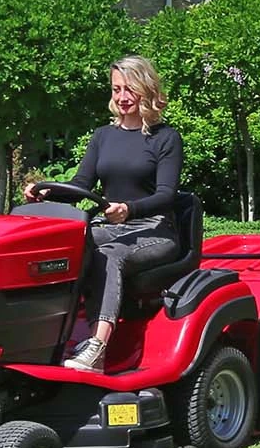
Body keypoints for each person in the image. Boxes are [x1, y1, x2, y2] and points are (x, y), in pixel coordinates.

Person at [25, 56, 182, 372]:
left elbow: (167, 195)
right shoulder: (103, 136)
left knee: (108, 254)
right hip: (110, 225)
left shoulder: (166, 138)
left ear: (146, 89)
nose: (122, 97)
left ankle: (97, 346)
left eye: (129, 89)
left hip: (154, 229)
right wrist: (45, 191)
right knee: (63, 245)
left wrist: (129, 209)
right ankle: (43, 332)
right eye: (116, 89)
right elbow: (81, 184)